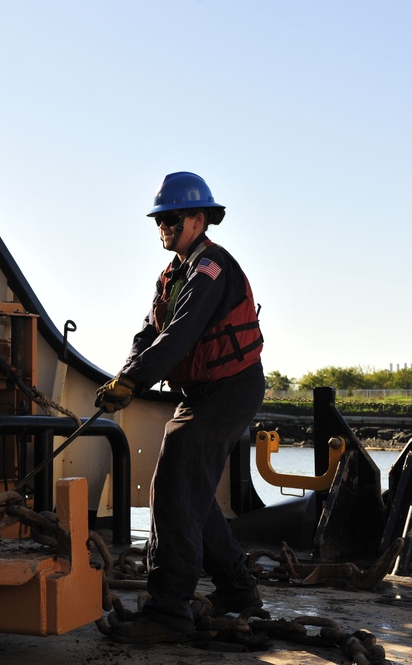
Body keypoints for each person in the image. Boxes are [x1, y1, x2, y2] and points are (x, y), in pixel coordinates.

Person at [96, 171, 265, 644]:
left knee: (173, 486)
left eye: (171, 218)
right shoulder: (174, 274)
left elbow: (182, 334)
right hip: (205, 393)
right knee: (187, 489)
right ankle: (237, 588)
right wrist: (124, 374)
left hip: (230, 388)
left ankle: (168, 610)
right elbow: (149, 334)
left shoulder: (211, 269)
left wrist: (132, 382)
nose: (163, 227)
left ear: (198, 218)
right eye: (159, 220)